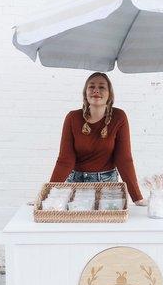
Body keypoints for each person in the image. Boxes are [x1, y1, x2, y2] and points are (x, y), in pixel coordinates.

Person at [50, 72, 147, 206]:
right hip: (76, 184)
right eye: (91, 87)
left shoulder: (119, 117)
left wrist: (137, 197)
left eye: (102, 87)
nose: (96, 90)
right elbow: (65, 160)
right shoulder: (72, 118)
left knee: (107, 224)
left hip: (108, 186)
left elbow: (124, 159)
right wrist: (48, 193)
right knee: (75, 224)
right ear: (85, 93)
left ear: (109, 95)